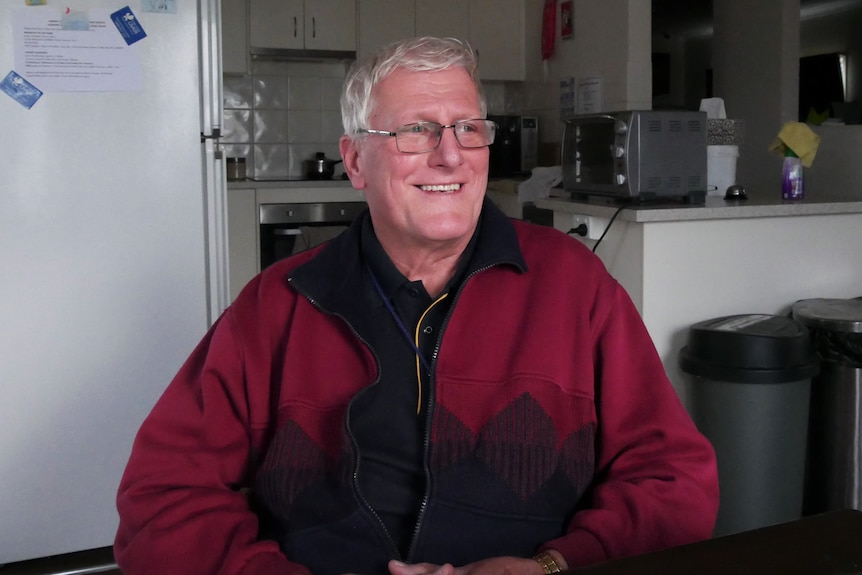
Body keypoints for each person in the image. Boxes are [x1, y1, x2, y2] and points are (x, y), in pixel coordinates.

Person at [114, 36, 719, 575]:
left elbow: (672, 478)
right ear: (355, 161)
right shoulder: (278, 305)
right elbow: (162, 501)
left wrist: (554, 566)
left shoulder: (574, 286)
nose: (450, 155)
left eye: (468, 128)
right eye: (416, 130)